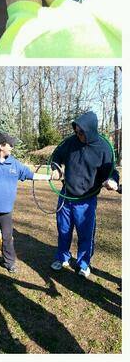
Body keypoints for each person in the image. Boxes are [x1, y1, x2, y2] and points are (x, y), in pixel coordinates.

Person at [0, 132, 50, 276]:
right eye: (10, 145)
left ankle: (9, 262)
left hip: (6, 209)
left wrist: (49, 177)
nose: (12, 147)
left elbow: (30, 175)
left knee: (7, 238)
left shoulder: (14, 163)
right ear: (1, 146)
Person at [49, 112, 119, 278]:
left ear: (90, 131)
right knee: (64, 230)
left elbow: (111, 171)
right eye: (76, 131)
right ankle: (62, 257)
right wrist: (56, 169)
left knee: (85, 234)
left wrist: (112, 180)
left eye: (81, 132)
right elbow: (56, 157)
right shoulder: (70, 142)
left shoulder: (102, 148)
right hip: (66, 197)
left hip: (86, 200)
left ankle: (83, 264)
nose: (78, 135)